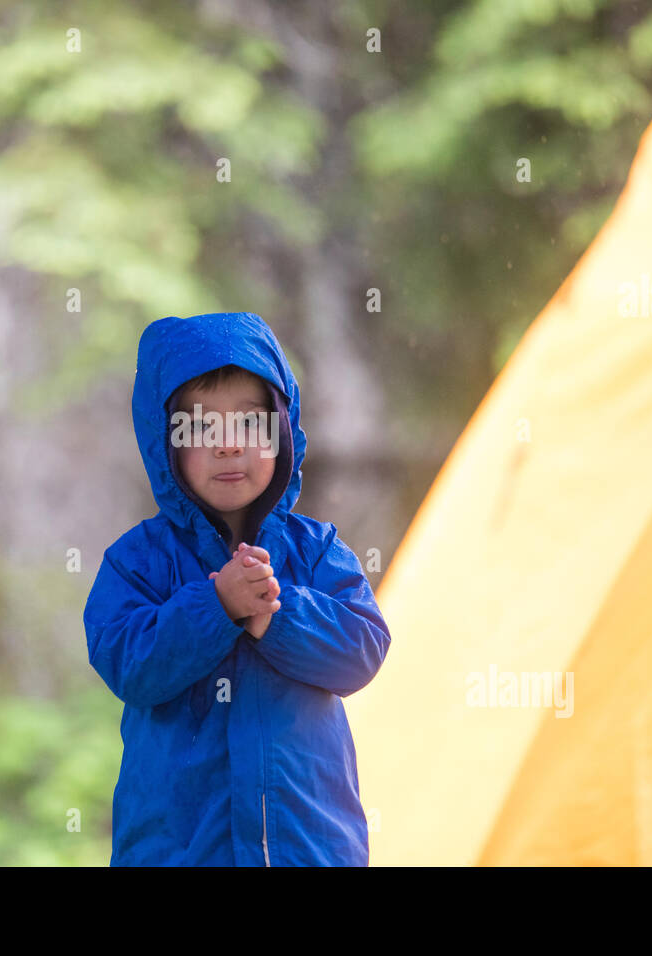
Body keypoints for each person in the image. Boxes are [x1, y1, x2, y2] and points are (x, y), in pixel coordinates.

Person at [83, 310, 391, 866]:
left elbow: (362, 651)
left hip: (307, 848)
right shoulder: (138, 562)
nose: (228, 446)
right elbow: (127, 662)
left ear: (283, 429)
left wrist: (276, 614)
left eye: (250, 424)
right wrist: (215, 606)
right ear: (165, 442)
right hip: (179, 851)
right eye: (200, 428)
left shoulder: (316, 550)